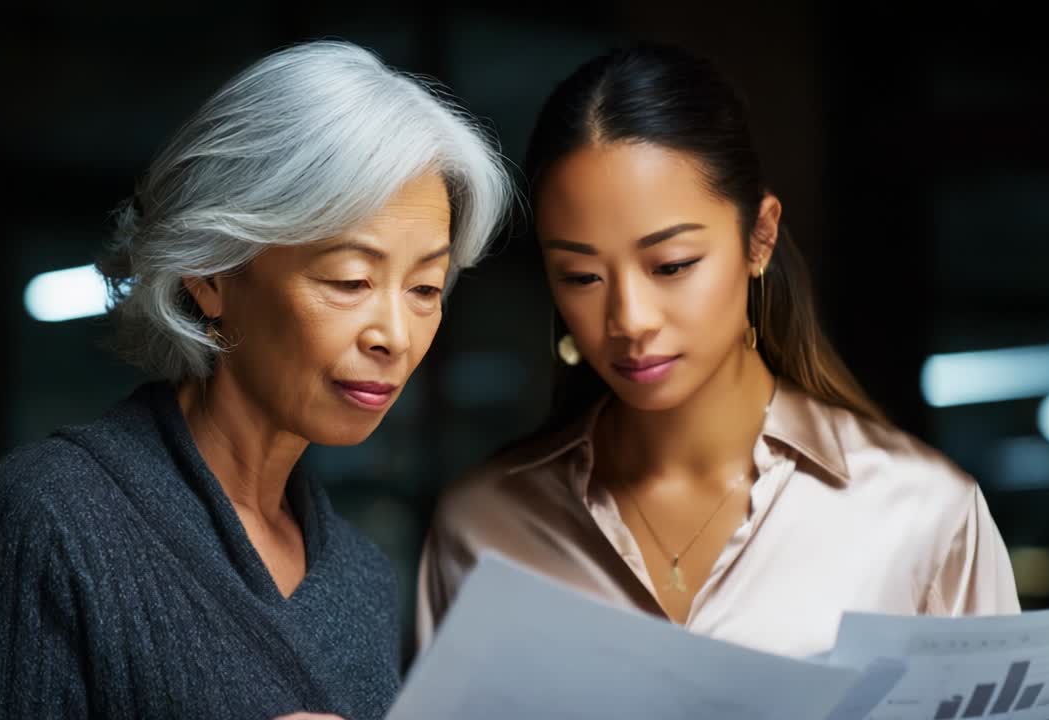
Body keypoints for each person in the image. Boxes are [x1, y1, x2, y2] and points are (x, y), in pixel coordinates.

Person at [0, 40, 512, 720]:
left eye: (426, 288)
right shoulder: (47, 521)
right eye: (349, 280)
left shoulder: (361, 578)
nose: (395, 336)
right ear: (211, 273)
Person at [417, 43, 1018, 659]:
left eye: (672, 265)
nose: (630, 319)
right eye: (580, 276)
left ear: (759, 238)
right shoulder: (483, 530)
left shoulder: (922, 515)